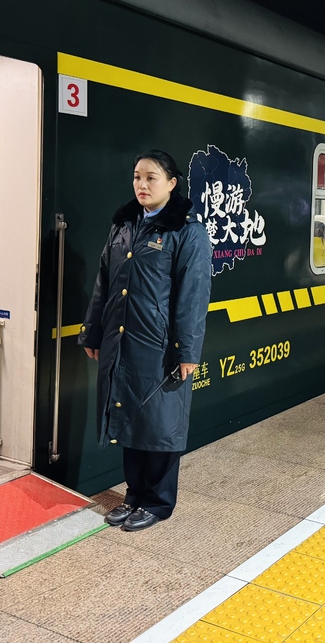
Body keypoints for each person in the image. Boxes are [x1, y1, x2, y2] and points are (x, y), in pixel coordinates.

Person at [80, 150, 211, 532]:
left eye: (151, 177)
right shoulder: (124, 225)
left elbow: (193, 296)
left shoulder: (187, 231)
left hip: (160, 344)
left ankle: (157, 502)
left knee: (160, 422)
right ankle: (134, 495)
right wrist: (92, 331)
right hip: (123, 340)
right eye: (137, 176)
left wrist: (187, 350)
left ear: (171, 183)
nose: (142, 184)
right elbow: (104, 282)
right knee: (129, 417)